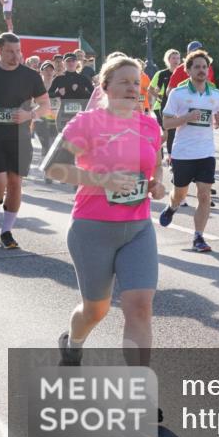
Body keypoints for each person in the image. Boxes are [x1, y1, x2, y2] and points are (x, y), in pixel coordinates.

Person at [42, 55, 164, 376]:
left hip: (138, 228)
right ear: (105, 86)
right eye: (123, 82)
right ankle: (73, 343)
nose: (132, 88)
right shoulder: (86, 123)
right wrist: (103, 180)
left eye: (136, 82)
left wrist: (157, 183)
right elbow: (52, 168)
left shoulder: (149, 125)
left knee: (140, 307)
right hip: (92, 228)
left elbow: (156, 163)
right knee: (95, 310)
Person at [157, 49, 219, 252]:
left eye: (204, 67)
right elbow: (167, 123)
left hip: (206, 152)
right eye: (197, 67)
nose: (202, 70)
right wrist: (186, 117)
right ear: (188, 70)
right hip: (183, 153)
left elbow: (215, 120)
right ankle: (172, 207)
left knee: (204, 195)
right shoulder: (178, 93)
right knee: (180, 194)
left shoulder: (216, 94)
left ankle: (198, 237)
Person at [0, 33, 51, 248]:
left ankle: (6, 231)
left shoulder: (30, 76)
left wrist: (30, 114)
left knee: (15, 184)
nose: (15, 56)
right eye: (10, 52)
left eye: (18, 51)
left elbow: (45, 105)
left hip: (20, 138)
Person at [49, 53, 95, 132]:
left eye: (73, 61)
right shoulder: (59, 78)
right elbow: (49, 94)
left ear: (77, 62)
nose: (71, 63)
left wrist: (81, 91)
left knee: (79, 137)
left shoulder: (83, 78)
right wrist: (58, 93)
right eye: (68, 61)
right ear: (64, 63)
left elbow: (94, 95)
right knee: (63, 137)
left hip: (80, 114)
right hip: (63, 115)